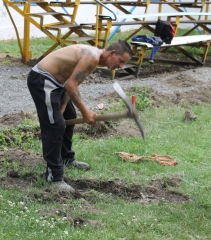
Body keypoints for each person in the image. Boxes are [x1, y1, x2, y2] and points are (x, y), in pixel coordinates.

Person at [27, 40, 133, 192]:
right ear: (112, 53)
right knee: (55, 125)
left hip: (58, 83)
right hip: (42, 80)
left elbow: (70, 84)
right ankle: (54, 177)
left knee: (68, 115)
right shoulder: (92, 57)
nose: (121, 66)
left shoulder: (93, 58)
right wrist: (86, 112)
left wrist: (63, 108)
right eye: (121, 61)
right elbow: (72, 86)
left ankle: (66, 158)